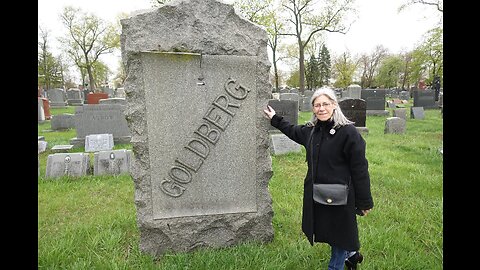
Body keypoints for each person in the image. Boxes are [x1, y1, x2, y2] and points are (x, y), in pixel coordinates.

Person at [263, 87, 374, 270]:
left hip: (342, 196)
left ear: (334, 105)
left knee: (339, 234)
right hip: (318, 193)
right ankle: (352, 255)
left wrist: (364, 201)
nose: (321, 108)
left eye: (325, 104)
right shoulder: (312, 131)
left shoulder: (348, 133)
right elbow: (292, 131)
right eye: (317, 105)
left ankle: (335, 266)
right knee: (331, 231)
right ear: (313, 109)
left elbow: (360, 169)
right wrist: (275, 119)